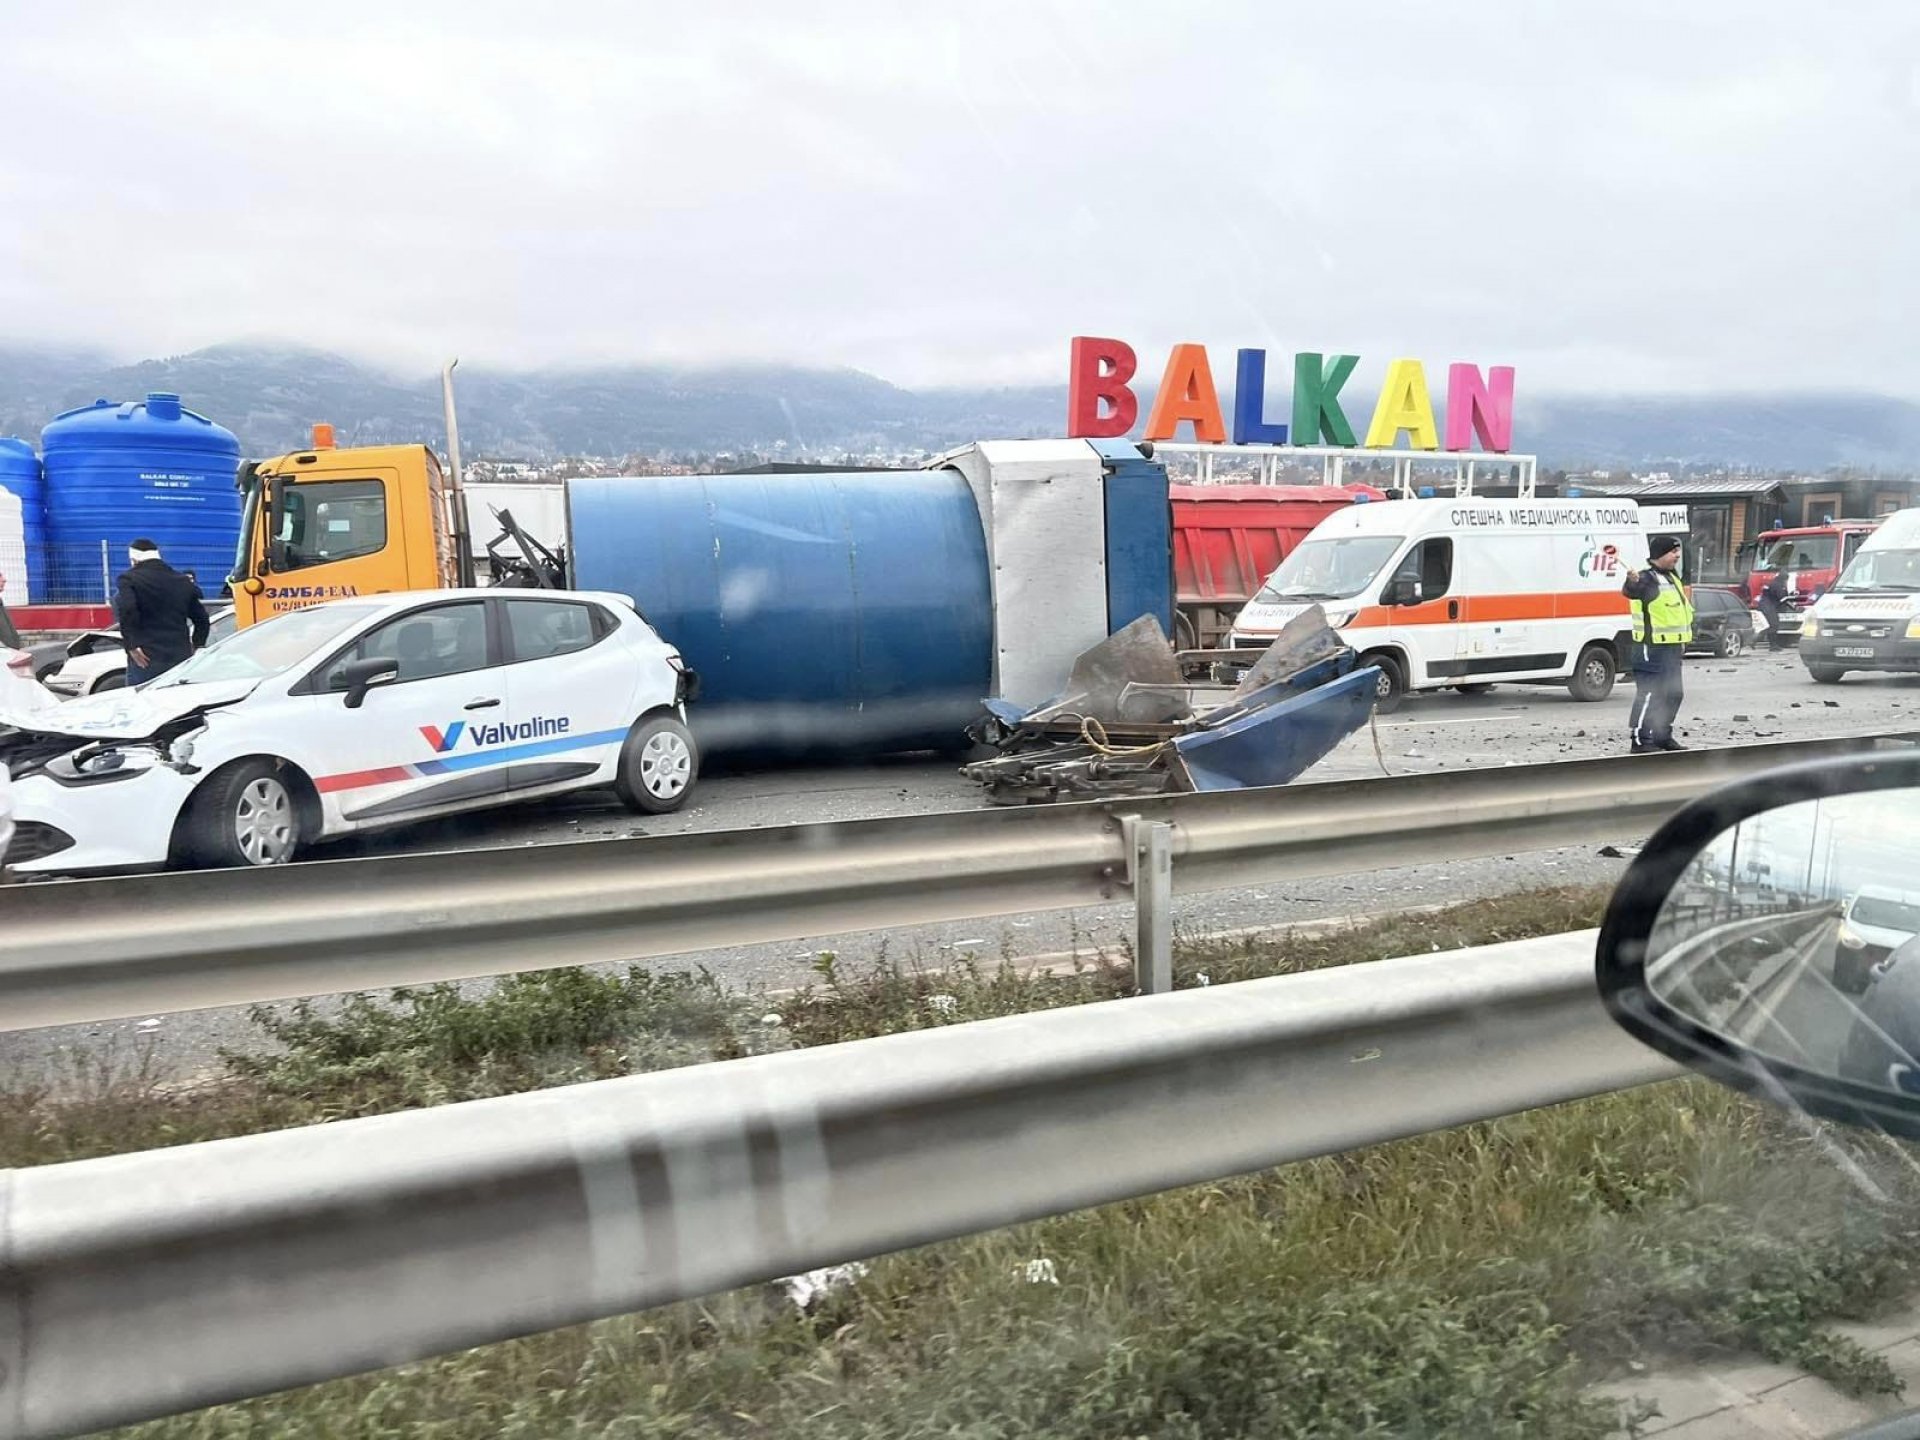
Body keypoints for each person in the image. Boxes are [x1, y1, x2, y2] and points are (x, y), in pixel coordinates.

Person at [1622, 534, 1694, 754]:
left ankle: (1662, 735)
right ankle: (1640, 740)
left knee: (1674, 694)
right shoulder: (1646, 579)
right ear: (1660, 554)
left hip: (1672, 648)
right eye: (1673, 552)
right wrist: (1631, 581)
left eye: (1677, 551)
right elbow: (1631, 590)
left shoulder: (1672, 578)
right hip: (1650, 648)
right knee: (1650, 693)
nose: (1677, 556)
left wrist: (1683, 642)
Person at [114, 538, 209, 685]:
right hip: (180, 655)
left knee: (141, 701)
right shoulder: (181, 580)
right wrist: (198, 644)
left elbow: (128, 610)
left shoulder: (129, 578)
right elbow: (202, 619)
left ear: (133, 559)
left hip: (146, 657)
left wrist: (131, 645)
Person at [1755, 569, 1789, 651]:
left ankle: (1753, 640)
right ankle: (1773, 646)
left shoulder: (1771, 583)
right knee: (1774, 625)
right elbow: (1782, 598)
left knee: (1766, 625)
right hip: (1769, 607)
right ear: (1784, 578)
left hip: (1762, 606)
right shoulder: (1779, 585)